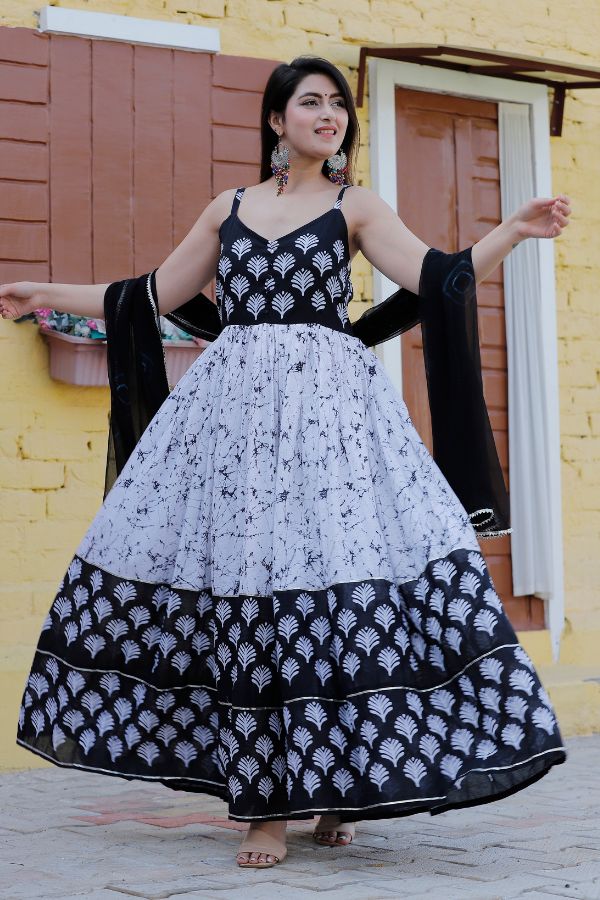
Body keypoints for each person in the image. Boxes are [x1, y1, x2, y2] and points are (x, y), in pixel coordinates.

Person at [0, 56, 571, 870]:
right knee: (256, 588)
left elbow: (437, 279)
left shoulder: (355, 206)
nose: (328, 115)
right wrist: (41, 291)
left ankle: (336, 792)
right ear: (276, 121)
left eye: (338, 105)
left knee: (332, 583)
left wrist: (510, 233)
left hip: (332, 427)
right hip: (233, 430)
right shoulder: (228, 209)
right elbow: (149, 295)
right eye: (311, 103)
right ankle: (265, 808)